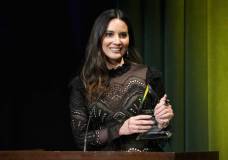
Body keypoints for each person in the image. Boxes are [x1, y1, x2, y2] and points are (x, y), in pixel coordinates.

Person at [69, 9, 174, 151]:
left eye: (123, 35)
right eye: (109, 34)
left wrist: (163, 123)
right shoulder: (82, 84)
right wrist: (120, 129)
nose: (117, 41)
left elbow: (162, 136)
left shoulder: (149, 76)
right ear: (98, 38)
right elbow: (81, 140)